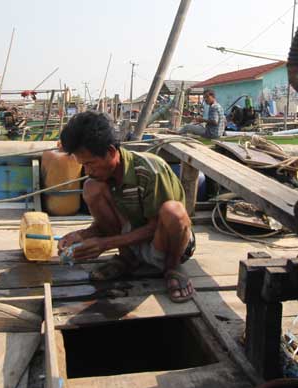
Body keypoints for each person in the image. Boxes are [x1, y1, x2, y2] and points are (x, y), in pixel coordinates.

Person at [58, 111, 196, 302]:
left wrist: (105, 244)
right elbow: (105, 225)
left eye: (91, 163)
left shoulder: (150, 171)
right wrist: (82, 235)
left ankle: (172, 268)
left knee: (173, 212)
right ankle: (128, 258)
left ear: (111, 152)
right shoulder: (100, 178)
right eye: (83, 165)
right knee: (91, 188)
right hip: (134, 243)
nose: (88, 171)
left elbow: (158, 225)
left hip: (166, 245)